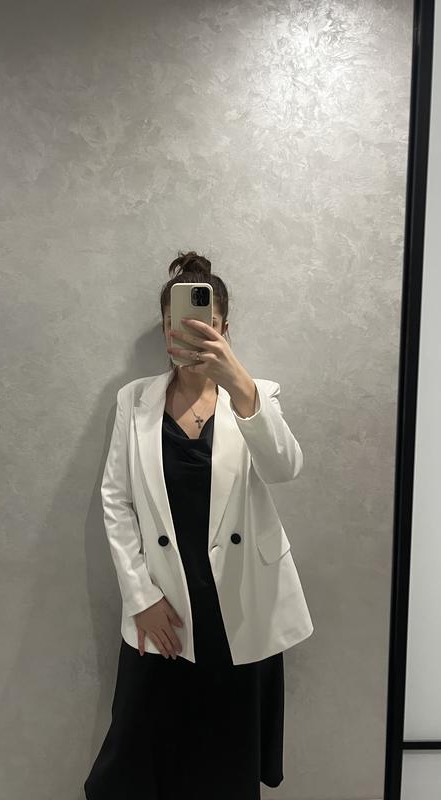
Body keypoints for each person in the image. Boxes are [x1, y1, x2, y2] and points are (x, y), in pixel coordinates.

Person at [84, 250, 312, 800]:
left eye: (204, 323)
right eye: (176, 323)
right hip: (163, 603)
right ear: (166, 329)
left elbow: (285, 468)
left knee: (227, 755)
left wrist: (240, 385)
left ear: (223, 328)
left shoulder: (256, 394)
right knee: (140, 753)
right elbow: (116, 500)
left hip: (239, 602)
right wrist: (140, 596)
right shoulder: (135, 400)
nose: (188, 333)